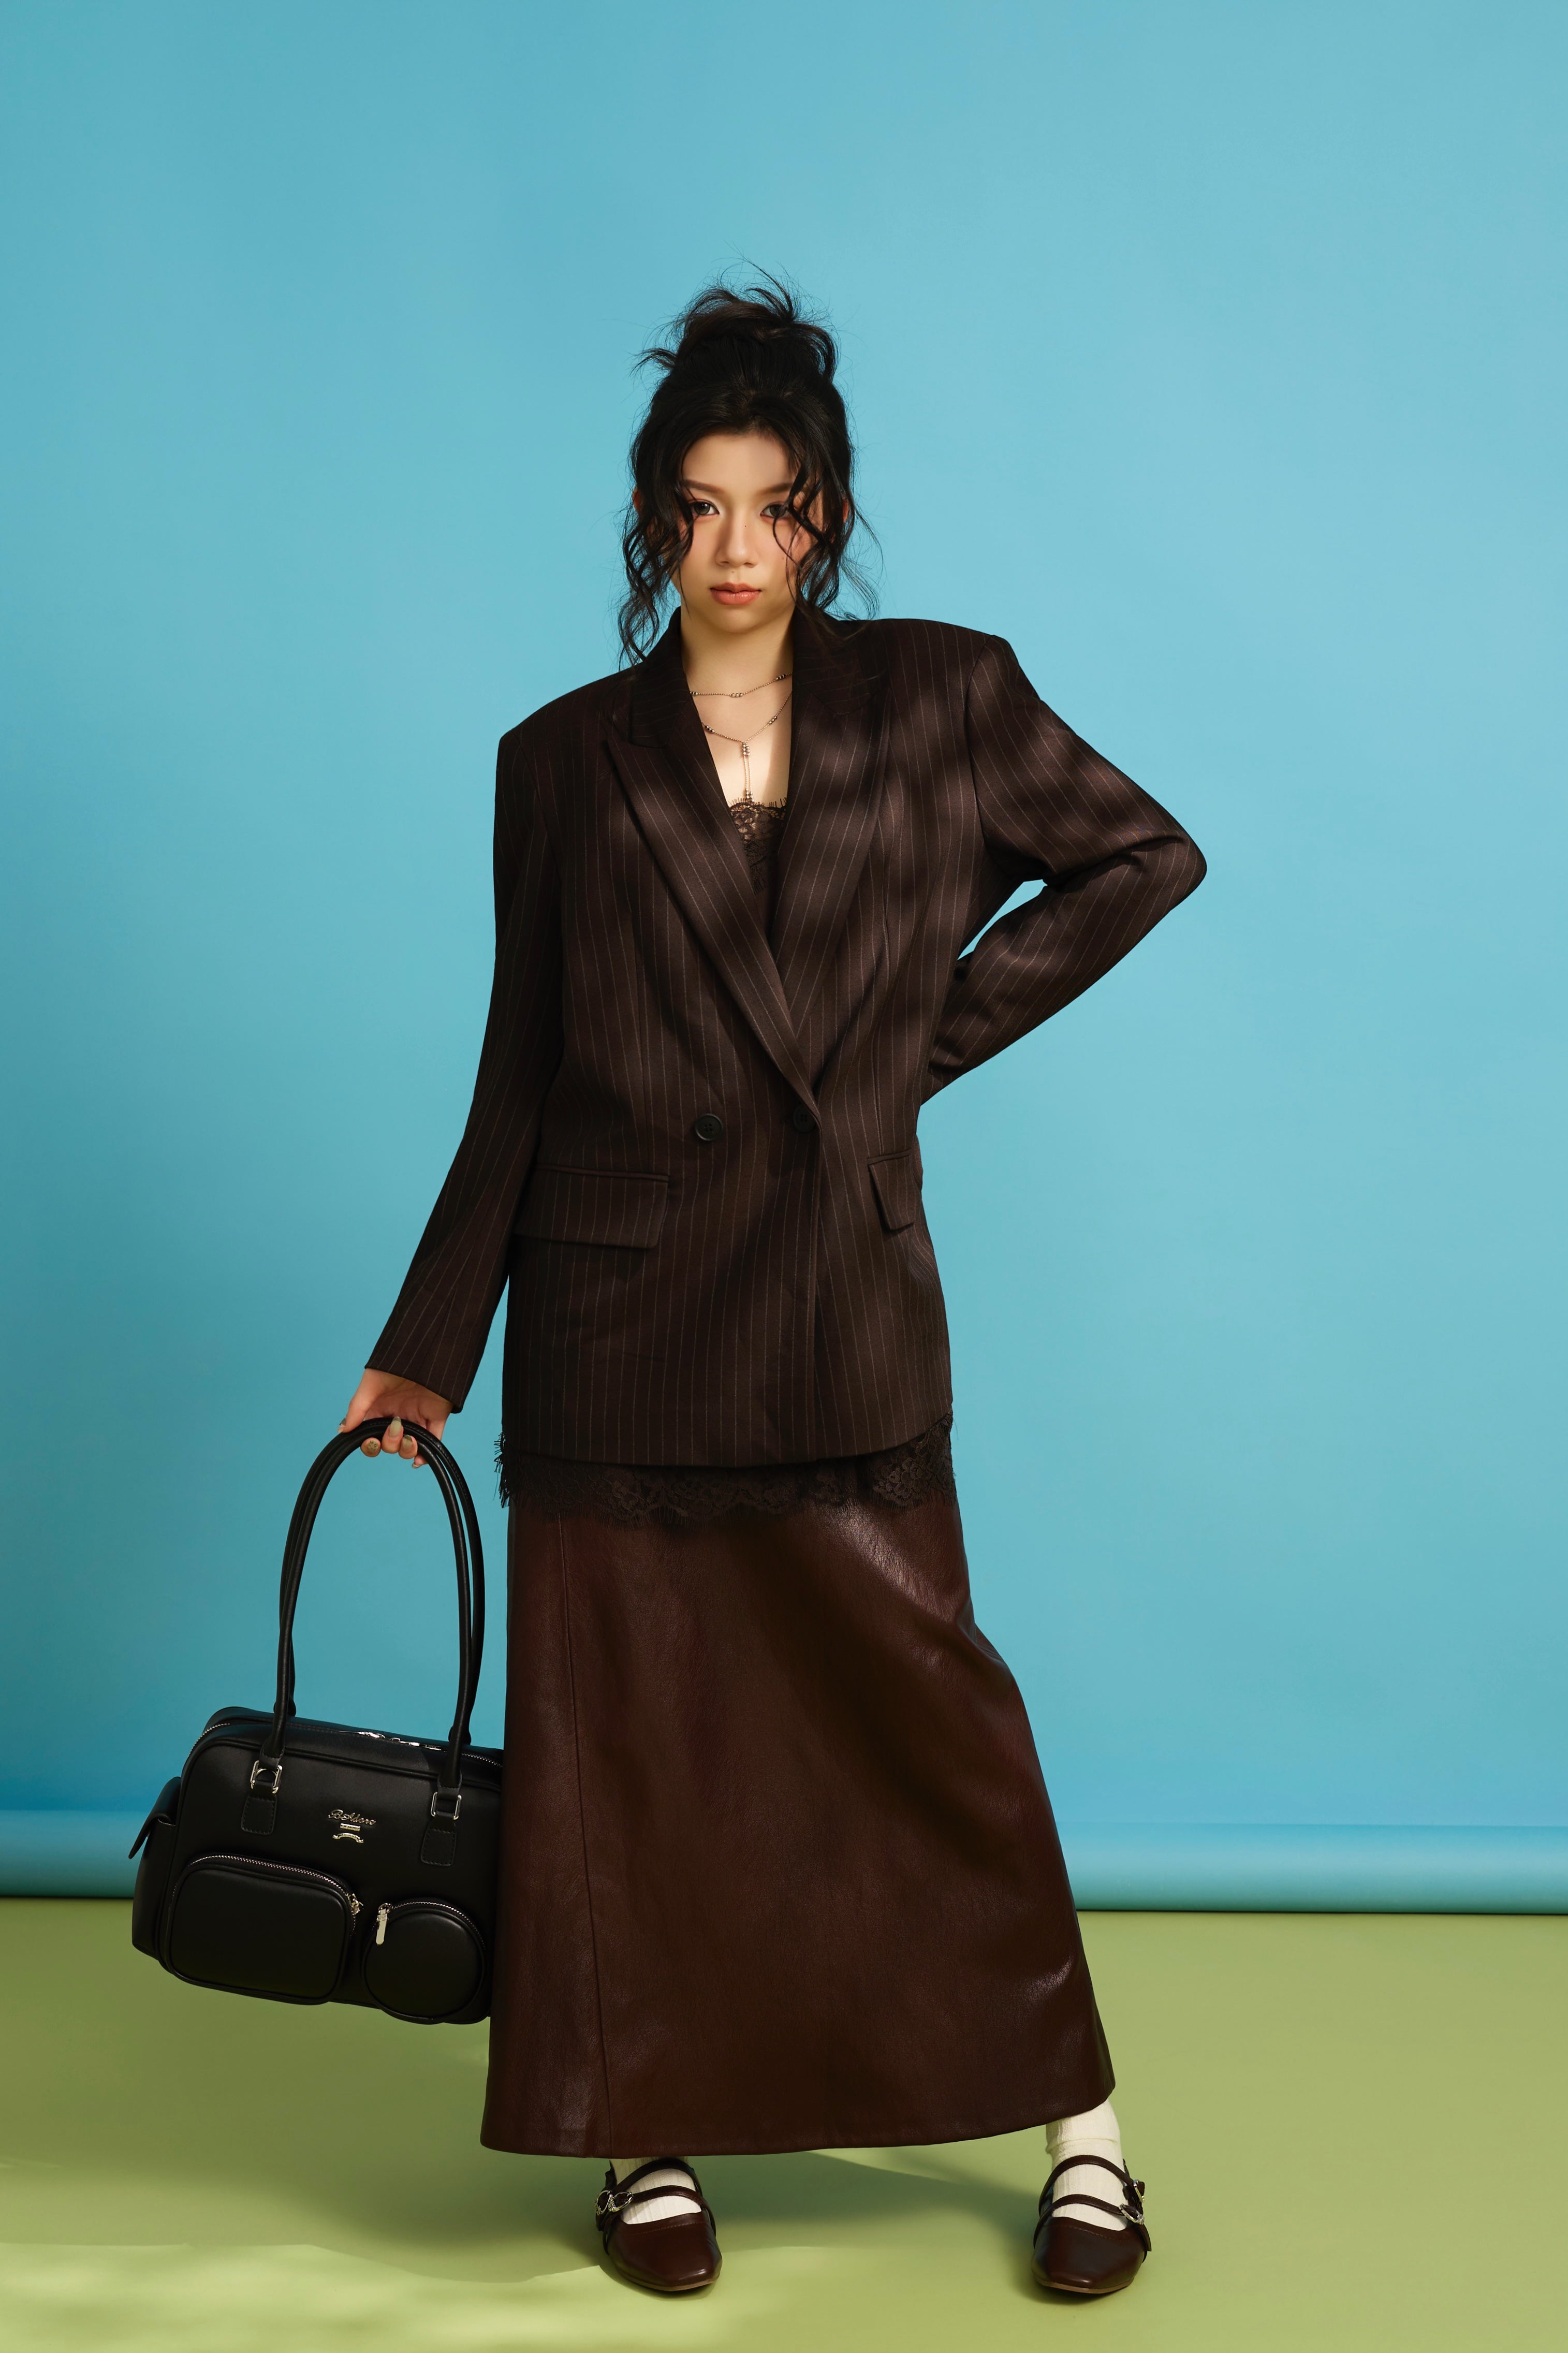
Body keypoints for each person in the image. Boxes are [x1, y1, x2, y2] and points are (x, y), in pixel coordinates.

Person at [341, 277, 1204, 2299]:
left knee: (934, 1719)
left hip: (836, 1300)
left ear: (826, 516)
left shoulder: (943, 695)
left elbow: (1136, 859)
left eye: (778, 507)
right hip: (616, 1328)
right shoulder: (561, 760)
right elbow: (520, 1069)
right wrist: (425, 1345)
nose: (737, 549)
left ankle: (1082, 2134)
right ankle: (646, 2137)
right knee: (626, 1751)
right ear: (654, 517)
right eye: (701, 506)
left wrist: (912, 1048)